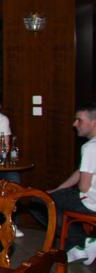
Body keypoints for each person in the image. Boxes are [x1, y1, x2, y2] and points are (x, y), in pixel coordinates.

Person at [39, 104, 96, 263]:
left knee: (39, 200)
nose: (74, 124)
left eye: (79, 120)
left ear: (94, 123)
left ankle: (80, 243)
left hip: (91, 203)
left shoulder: (90, 147)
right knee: (54, 196)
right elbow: (80, 172)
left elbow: (84, 187)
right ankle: (83, 243)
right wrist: (58, 189)